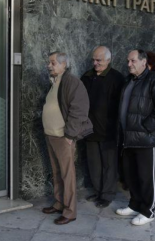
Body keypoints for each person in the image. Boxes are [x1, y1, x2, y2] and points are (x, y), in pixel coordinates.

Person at [115, 50, 155, 226]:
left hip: (146, 139)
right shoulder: (128, 80)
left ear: (143, 62)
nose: (129, 64)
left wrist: (147, 127)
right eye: (128, 60)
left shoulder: (154, 80)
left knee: (147, 177)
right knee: (132, 175)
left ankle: (148, 211)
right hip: (128, 138)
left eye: (132, 60)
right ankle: (135, 204)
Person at [41, 51, 93, 225]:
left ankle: (70, 212)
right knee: (56, 172)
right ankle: (59, 203)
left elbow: (79, 110)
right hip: (52, 135)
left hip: (63, 137)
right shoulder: (55, 81)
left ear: (64, 64)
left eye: (53, 63)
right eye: (49, 62)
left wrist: (70, 135)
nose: (49, 65)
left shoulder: (71, 82)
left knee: (67, 174)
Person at [81, 46, 124, 208]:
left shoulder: (117, 78)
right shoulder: (87, 76)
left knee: (108, 165)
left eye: (98, 60)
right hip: (89, 129)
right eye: (93, 59)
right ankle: (98, 191)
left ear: (108, 60)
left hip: (109, 130)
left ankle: (107, 194)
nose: (95, 63)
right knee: (94, 164)